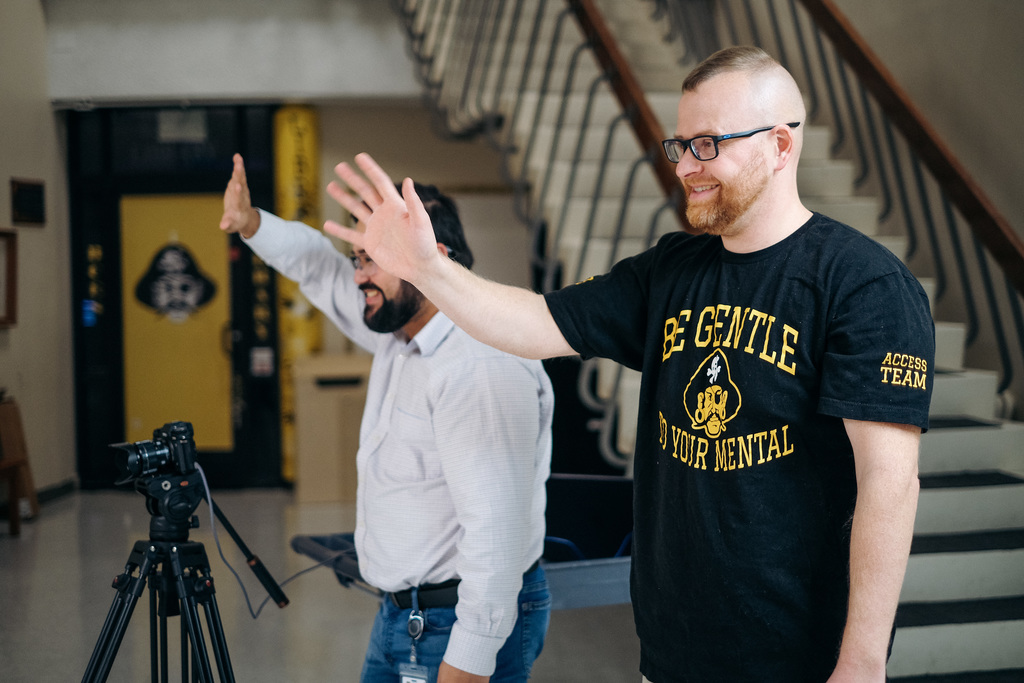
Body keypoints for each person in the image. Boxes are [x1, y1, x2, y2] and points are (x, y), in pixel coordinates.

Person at [323, 46, 935, 683]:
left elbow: (889, 483)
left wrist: (862, 661)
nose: (686, 167)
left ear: (780, 145)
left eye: (708, 145)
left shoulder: (863, 285)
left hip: (797, 661)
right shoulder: (671, 270)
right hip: (671, 656)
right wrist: (427, 270)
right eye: (679, 146)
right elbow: (534, 324)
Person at [219, 154, 554, 683]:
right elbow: (318, 267)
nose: (358, 276)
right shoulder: (404, 331)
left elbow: (496, 537)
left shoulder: (479, 361)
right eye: (357, 258)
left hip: (456, 623)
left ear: (432, 258)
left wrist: (467, 664)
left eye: (373, 259)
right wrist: (252, 223)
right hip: (405, 615)